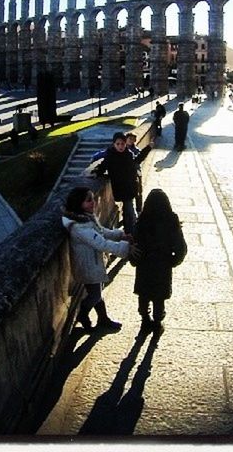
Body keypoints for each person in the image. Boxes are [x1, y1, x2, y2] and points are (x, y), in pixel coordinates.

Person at [61, 186, 139, 332]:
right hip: (88, 266)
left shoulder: (85, 219)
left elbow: (101, 231)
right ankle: (83, 314)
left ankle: (103, 319)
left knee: (96, 293)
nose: (93, 203)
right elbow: (101, 243)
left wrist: (120, 235)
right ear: (79, 204)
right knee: (95, 294)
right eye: (88, 200)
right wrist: (126, 248)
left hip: (91, 263)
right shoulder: (79, 227)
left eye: (93, 199)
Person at [130, 188, 187, 335]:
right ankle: (157, 323)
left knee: (144, 294)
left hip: (144, 264)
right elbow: (180, 246)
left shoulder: (142, 220)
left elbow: (134, 244)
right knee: (158, 296)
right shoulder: (171, 220)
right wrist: (173, 261)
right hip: (162, 264)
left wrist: (134, 261)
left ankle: (144, 320)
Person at [93, 132, 152, 235]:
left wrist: (148, 148)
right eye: (118, 144)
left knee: (129, 211)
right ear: (114, 144)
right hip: (120, 188)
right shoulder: (110, 155)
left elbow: (138, 160)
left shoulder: (128, 154)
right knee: (128, 211)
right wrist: (96, 173)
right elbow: (102, 167)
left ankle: (131, 233)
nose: (120, 146)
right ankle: (131, 232)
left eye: (122, 144)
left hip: (130, 187)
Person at [125, 132, 144, 213]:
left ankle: (139, 209)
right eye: (130, 139)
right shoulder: (123, 149)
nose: (131, 141)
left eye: (133, 139)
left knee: (138, 192)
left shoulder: (136, 150)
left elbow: (138, 161)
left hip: (136, 173)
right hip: (126, 174)